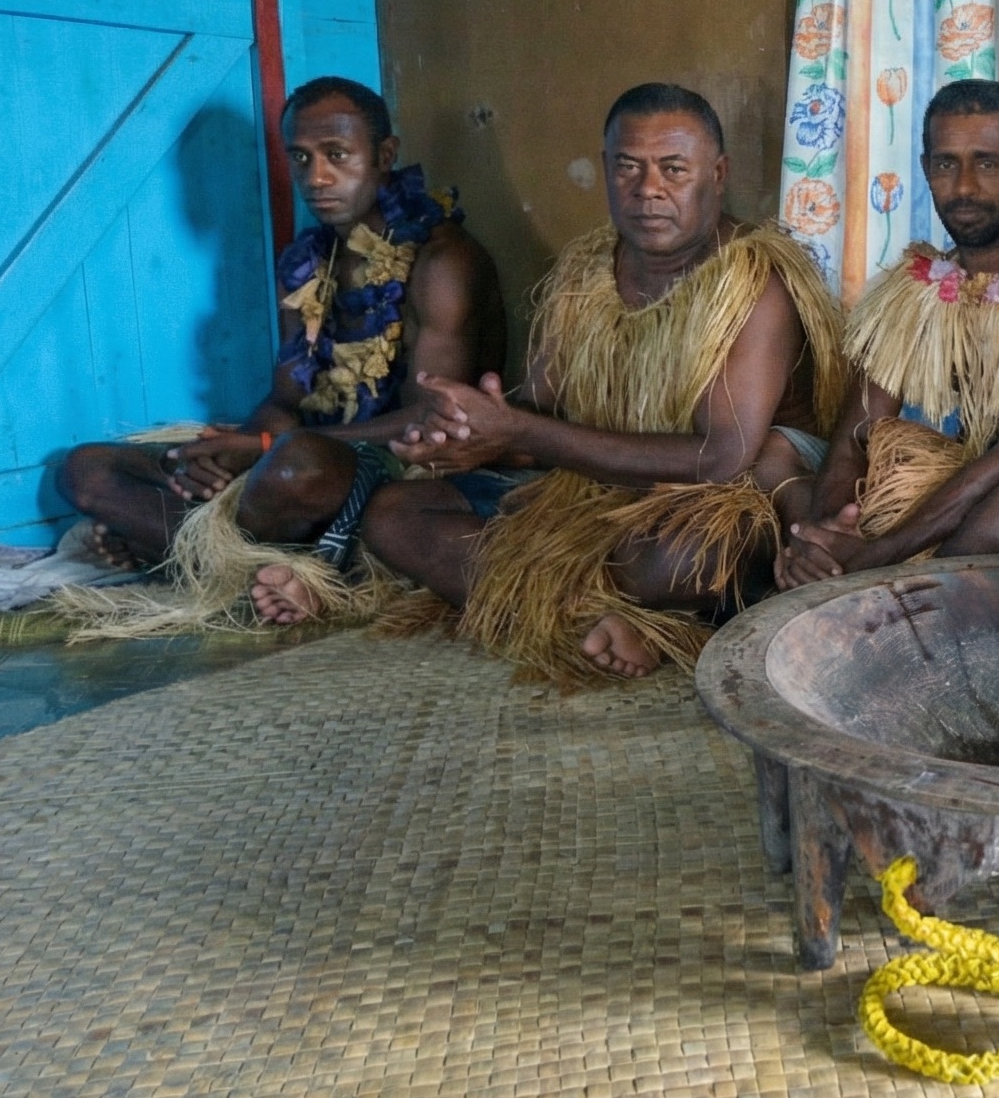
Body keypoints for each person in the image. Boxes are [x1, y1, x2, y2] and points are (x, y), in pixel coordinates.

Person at [316, 83, 846, 682]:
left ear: (717, 174)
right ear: (605, 171)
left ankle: (591, 610)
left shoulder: (754, 280)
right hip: (593, 490)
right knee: (393, 514)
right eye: (628, 168)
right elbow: (537, 413)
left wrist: (520, 430)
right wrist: (468, 436)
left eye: (673, 169)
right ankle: (590, 619)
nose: (648, 189)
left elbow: (720, 456)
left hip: (718, 495)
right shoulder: (586, 269)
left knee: (682, 559)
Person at [55, 76, 505, 630]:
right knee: (86, 471)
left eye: (337, 155)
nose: (316, 178)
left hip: (395, 475)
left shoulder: (443, 262)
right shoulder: (306, 261)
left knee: (296, 470)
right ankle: (261, 574)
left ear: (385, 155)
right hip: (295, 458)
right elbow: (285, 397)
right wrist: (224, 457)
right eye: (301, 158)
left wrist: (264, 449)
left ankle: (181, 550)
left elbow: (426, 425)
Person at [775, 80, 999, 586]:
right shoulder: (914, 289)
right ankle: (841, 576)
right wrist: (828, 532)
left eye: (987, 163)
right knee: (777, 453)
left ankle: (901, 597)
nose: (965, 187)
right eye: (946, 164)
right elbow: (854, 436)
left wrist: (873, 558)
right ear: (926, 169)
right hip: (938, 489)